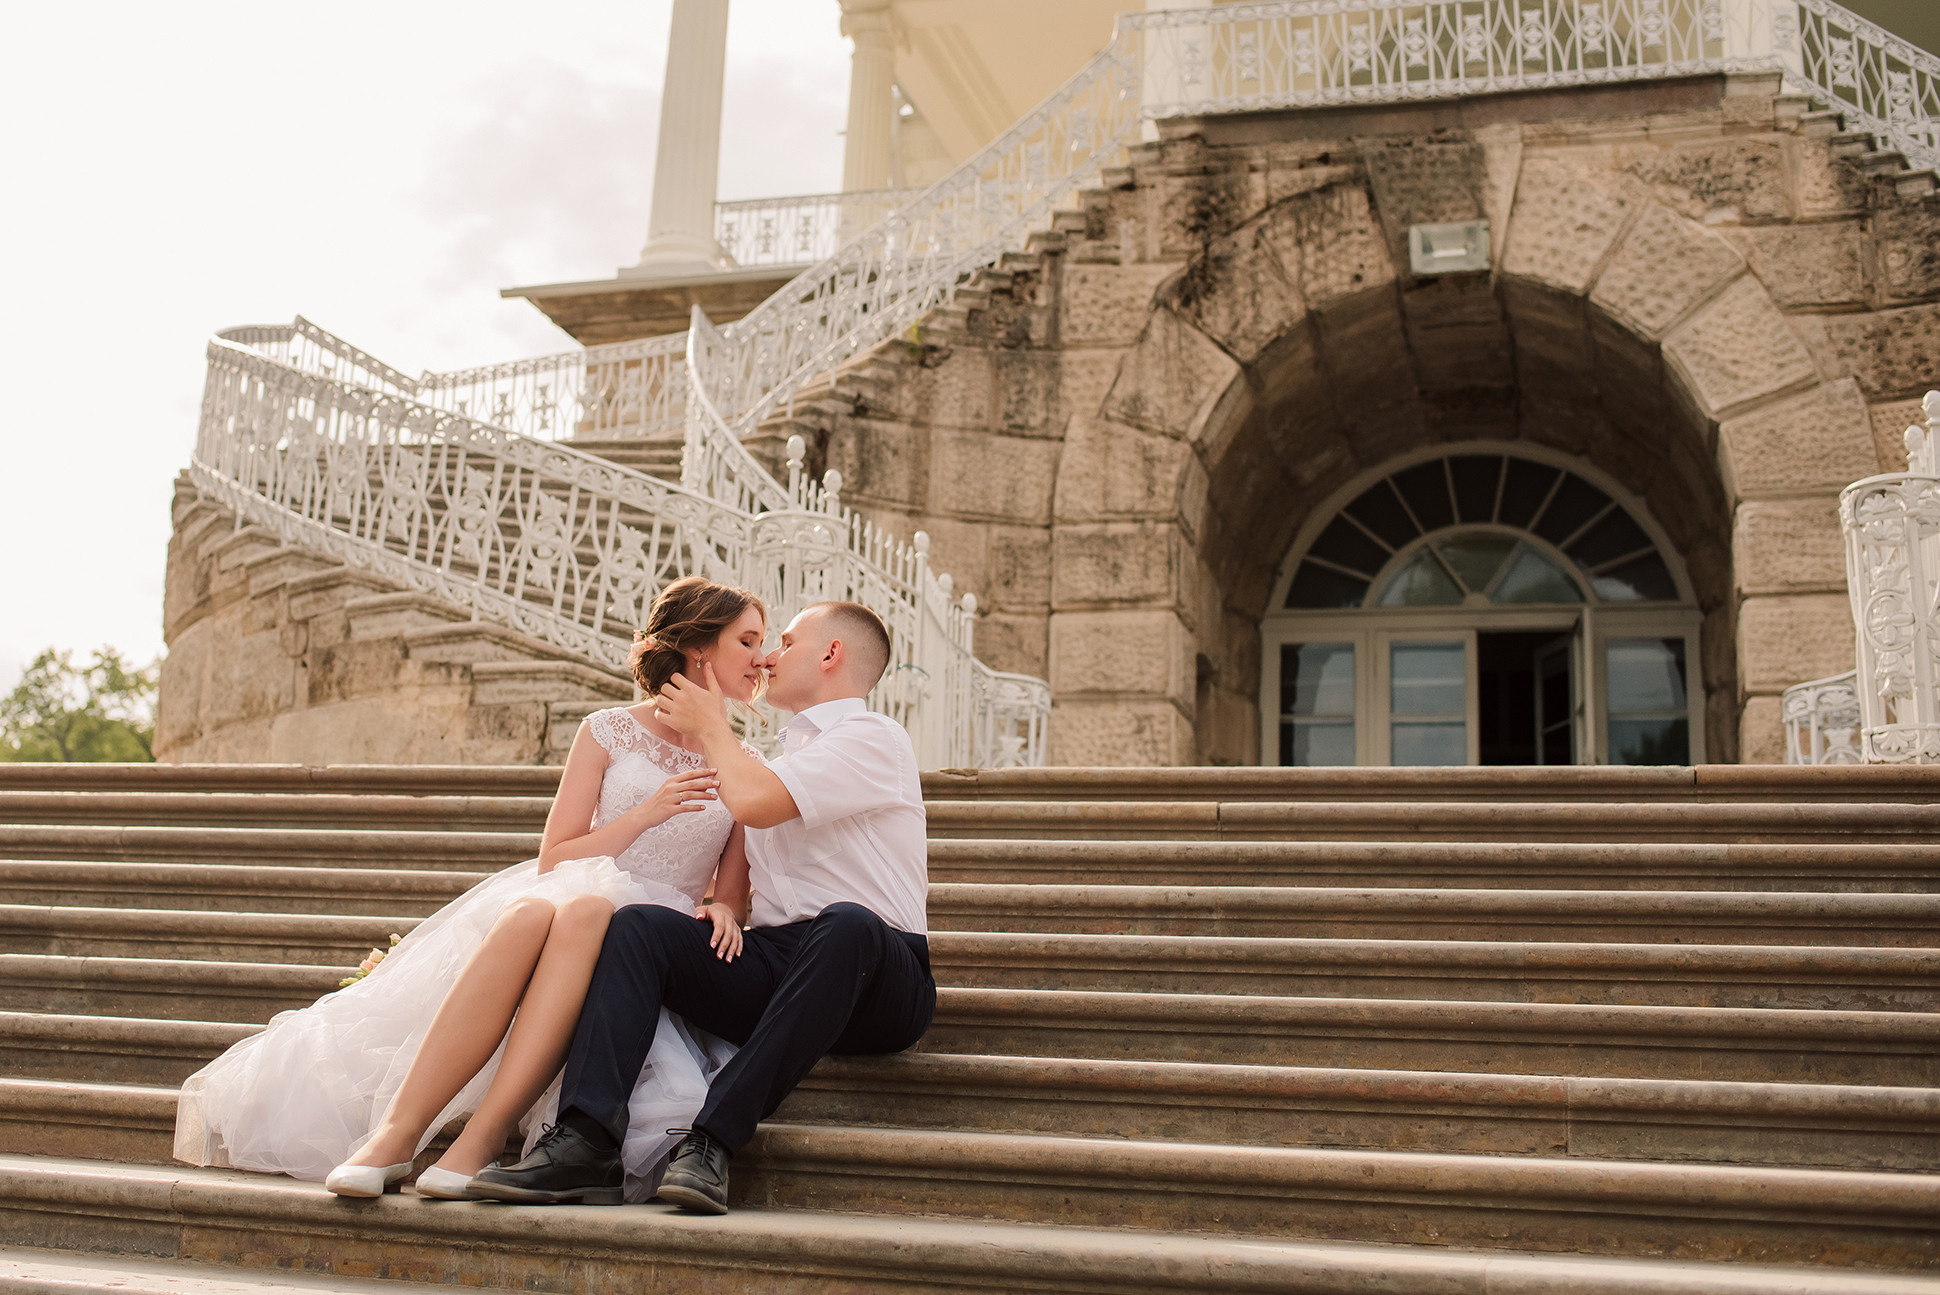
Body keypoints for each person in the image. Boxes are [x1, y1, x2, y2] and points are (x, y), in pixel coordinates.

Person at [172, 576, 770, 1204]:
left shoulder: (749, 766)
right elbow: (554, 857)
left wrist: (724, 911)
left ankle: (479, 1141)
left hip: (651, 932)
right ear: (699, 647)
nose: (761, 657)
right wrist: (644, 815)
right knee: (536, 913)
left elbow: (731, 893)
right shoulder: (606, 730)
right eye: (748, 640)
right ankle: (395, 1136)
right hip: (575, 887)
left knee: (589, 912)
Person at [467, 599, 934, 1213]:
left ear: (830, 654)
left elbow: (755, 804)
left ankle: (711, 1141)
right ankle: (585, 1141)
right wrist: (722, 908)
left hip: (880, 972)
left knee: (846, 924)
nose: (769, 657)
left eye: (786, 642)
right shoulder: (778, 761)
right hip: (781, 961)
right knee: (637, 926)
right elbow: (740, 863)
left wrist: (713, 727)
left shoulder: (874, 739)